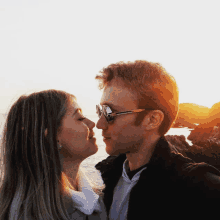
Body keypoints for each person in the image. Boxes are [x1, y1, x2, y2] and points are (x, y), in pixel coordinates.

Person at [94, 60, 220, 220]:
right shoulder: (104, 176)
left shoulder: (200, 190)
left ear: (152, 119)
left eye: (109, 113)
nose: (99, 124)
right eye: (100, 111)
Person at [0, 90, 107, 220]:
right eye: (79, 118)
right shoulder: (27, 215)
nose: (92, 123)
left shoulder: (103, 198)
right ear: (51, 136)